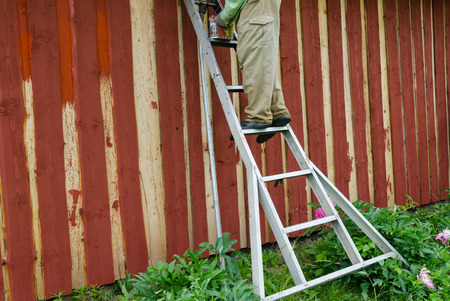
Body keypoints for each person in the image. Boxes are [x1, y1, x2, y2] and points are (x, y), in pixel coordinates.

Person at [214, 0, 291, 143]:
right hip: (267, 12)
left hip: (255, 13)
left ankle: (258, 116)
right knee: (265, 63)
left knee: (254, 63)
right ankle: (277, 110)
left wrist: (224, 16)